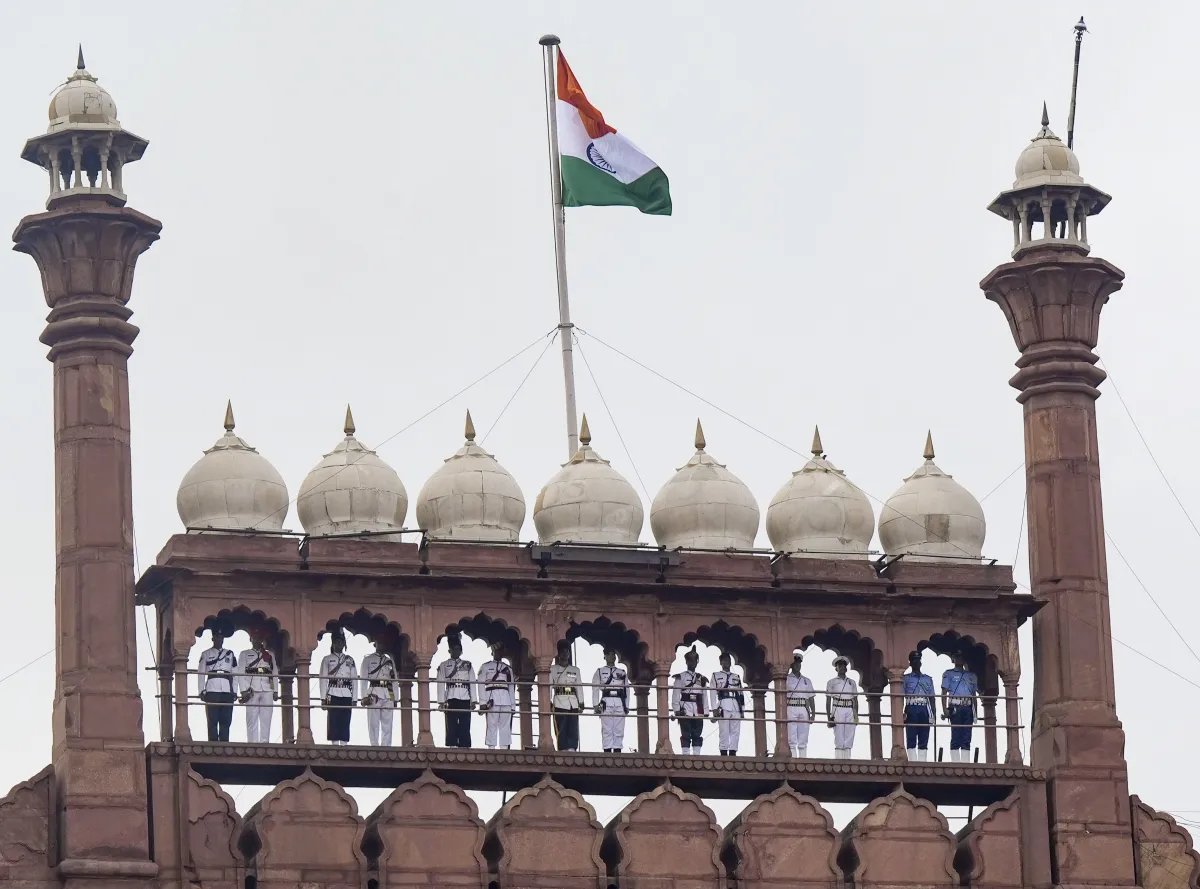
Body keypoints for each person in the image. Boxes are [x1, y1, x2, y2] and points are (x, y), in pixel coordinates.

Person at [237, 629, 279, 744]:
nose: (257, 640)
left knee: (266, 718)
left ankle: (265, 742)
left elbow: (274, 672)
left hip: (267, 688)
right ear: (251, 639)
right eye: (255, 638)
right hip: (252, 688)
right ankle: (252, 743)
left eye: (259, 638)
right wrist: (243, 690)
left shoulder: (269, 655)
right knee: (251, 718)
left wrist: (275, 690)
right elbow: (240, 673)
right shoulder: (244, 654)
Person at [198, 628, 238, 742]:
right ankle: (213, 743)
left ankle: (224, 742)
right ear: (213, 639)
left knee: (226, 719)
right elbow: (201, 673)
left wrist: (235, 691)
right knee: (212, 719)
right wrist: (201, 690)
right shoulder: (206, 654)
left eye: (221, 638)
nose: (219, 639)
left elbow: (235, 674)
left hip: (226, 689)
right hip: (212, 688)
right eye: (217, 637)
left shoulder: (230, 654)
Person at [318, 629, 357, 745]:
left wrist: (354, 698)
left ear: (344, 644)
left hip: (346, 691)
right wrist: (323, 698)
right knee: (333, 718)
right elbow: (323, 679)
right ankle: (334, 742)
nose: (338, 644)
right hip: (333, 690)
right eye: (336, 642)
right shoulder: (327, 659)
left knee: (345, 717)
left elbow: (354, 680)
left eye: (340, 642)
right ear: (332, 644)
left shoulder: (350, 659)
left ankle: (344, 742)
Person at [437, 636, 476, 748]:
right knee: (451, 722)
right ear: (450, 651)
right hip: (451, 695)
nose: (456, 651)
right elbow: (440, 683)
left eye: (458, 649)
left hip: (465, 695)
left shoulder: (467, 664)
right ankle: (452, 744)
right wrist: (441, 701)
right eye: (454, 649)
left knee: (465, 722)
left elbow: (472, 682)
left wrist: (474, 700)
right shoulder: (444, 665)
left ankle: (464, 744)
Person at [359, 640, 399, 747]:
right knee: (373, 722)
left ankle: (386, 746)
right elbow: (363, 679)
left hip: (388, 692)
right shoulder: (368, 659)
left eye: (383, 643)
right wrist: (363, 697)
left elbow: (394, 680)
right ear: (375, 644)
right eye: (380, 642)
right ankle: (374, 745)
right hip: (374, 691)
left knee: (388, 723)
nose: (382, 645)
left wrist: (395, 698)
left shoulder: (389, 661)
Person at [941, 652, 979, 763]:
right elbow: (943, 693)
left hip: (968, 706)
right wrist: (944, 710)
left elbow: (974, 695)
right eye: (957, 656)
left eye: (961, 656)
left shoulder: (971, 675)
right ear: (953, 659)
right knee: (956, 734)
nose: (959, 659)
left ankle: (965, 762)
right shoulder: (948, 674)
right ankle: (956, 762)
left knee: (967, 735)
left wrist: (976, 713)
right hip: (955, 706)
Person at [477, 641, 515, 750]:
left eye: (500, 651)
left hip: (505, 698)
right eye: (496, 651)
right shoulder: (485, 666)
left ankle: (504, 748)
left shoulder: (508, 668)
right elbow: (480, 684)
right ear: (492, 652)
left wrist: (513, 705)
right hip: (491, 697)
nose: (498, 653)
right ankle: (491, 747)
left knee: (505, 726)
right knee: (491, 724)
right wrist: (482, 703)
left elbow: (511, 687)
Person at [671, 647, 709, 755]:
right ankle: (686, 754)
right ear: (686, 662)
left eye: (694, 660)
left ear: (697, 662)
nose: (692, 663)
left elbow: (704, 695)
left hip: (698, 707)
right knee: (686, 731)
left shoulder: (701, 678)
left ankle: (696, 754)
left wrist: (706, 711)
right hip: (685, 707)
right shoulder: (681, 677)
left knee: (697, 731)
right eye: (690, 660)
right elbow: (676, 694)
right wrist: (676, 710)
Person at [591, 647, 628, 752]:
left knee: (619, 728)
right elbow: (595, 688)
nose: (612, 656)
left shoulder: (622, 672)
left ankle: (617, 750)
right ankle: (607, 751)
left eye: (613, 654)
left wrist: (627, 705)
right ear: (605, 656)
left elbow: (627, 690)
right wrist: (595, 705)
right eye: (609, 654)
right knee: (607, 729)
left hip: (619, 702)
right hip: (606, 701)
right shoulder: (600, 671)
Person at [902, 650, 936, 761]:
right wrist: (901, 713)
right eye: (914, 660)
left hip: (924, 708)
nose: (917, 662)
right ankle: (912, 761)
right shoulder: (905, 679)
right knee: (911, 734)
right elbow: (900, 696)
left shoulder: (928, 679)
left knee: (924, 734)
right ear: (910, 663)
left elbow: (932, 698)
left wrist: (933, 715)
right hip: (911, 707)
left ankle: (922, 762)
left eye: (918, 660)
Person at [710, 652, 744, 756]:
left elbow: (740, 693)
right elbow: (712, 692)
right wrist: (714, 709)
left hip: (735, 704)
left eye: (728, 660)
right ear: (721, 662)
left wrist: (742, 709)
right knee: (724, 730)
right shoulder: (716, 675)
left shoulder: (736, 676)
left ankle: (733, 751)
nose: (727, 662)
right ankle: (723, 751)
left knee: (735, 730)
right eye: (724, 660)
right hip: (723, 704)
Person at [549, 642, 582, 751]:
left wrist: (581, 702)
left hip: (573, 701)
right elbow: (549, 685)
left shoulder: (575, 670)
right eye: (562, 652)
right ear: (558, 654)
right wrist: (548, 701)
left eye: (567, 651)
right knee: (561, 726)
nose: (565, 654)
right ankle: (562, 748)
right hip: (559, 700)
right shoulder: (553, 669)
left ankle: (572, 748)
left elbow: (579, 687)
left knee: (573, 726)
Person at [826, 655, 859, 759]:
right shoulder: (831, 682)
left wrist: (856, 715)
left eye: (844, 666)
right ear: (836, 668)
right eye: (840, 666)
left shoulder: (851, 682)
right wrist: (828, 717)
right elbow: (828, 700)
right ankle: (839, 758)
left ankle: (847, 758)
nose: (842, 668)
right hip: (837, 707)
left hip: (849, 707)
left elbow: (855, 699)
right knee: (839, 733)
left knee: (850, 733)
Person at [785, 650, 816, 758]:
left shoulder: (806, 680)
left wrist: (813, 713)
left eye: (799, 663)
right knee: (791, 736)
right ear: (791, 664)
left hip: (803, 707)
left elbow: (811, 698)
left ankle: (803, 758)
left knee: (803, 735)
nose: (798, 665)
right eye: (795, 663)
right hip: (791, 706)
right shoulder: (786, 679)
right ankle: (793, 758)